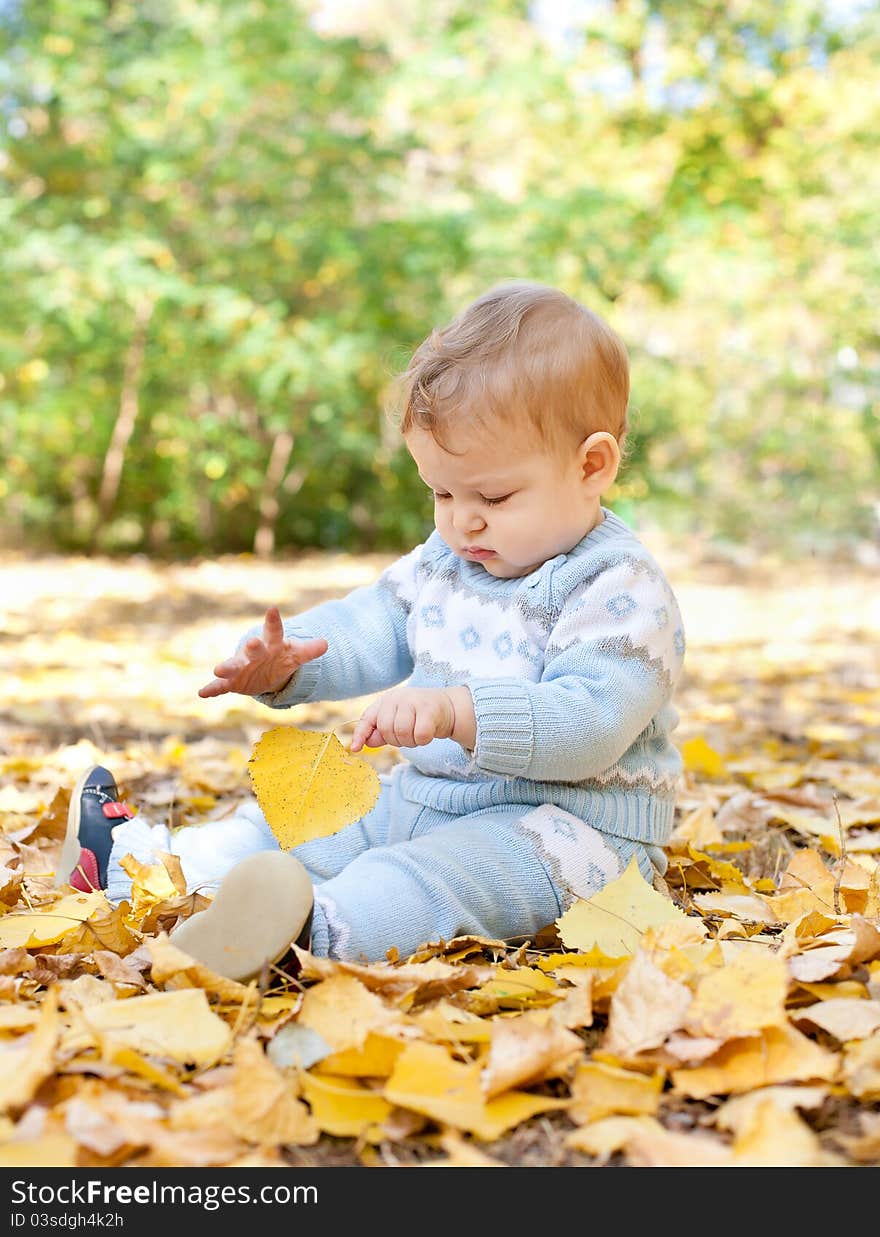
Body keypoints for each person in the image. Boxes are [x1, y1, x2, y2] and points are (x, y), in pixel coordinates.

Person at [55, 281, 686, 981]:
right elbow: (374, 621)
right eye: (441, 492)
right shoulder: (450, 561)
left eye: (493, 496)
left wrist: (459, 710)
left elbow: (591, 721)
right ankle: (133, 866)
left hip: (572, 835)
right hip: (429, 798)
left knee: (429, 877)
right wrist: (292, 661)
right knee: (302, 826)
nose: (461, 520)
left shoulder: (619, 587)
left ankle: (306, 936)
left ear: (591, 465)